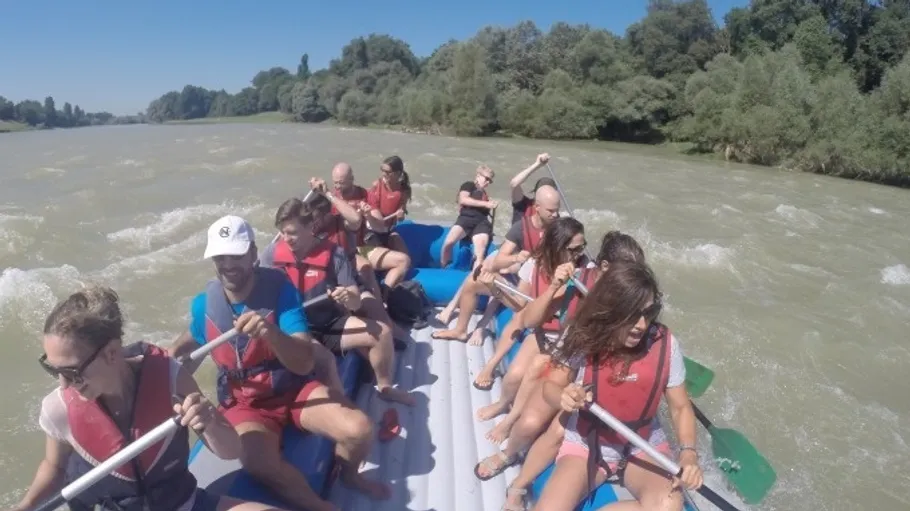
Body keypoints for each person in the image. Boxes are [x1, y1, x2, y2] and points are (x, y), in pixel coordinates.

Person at [168, 215, 388, 511]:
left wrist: (271, 333)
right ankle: (319, 506)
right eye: (221, 257)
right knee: (258, 461)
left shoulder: (281, 292)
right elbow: (189, 341)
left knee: (359, 430)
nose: (229, 264)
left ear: (253, 253)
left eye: (236, 255)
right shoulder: (204, 305)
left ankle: (348, 475)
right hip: (245, 403)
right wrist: (166, 359)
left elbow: (303, 361)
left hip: (293, 388)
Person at [14, 285, 284, 511]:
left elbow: (231, 451)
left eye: (71, 372)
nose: (63, 384)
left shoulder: (169, 377)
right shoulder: (58, 410)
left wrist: (210, 421)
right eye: (52, 369)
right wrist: (24, 507)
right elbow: (54, 466)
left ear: (111, 353)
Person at [486, 232, 647, 511]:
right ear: (605, 268)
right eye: (625, 275)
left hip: (601, 376)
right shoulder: (577, 282)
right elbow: (529, 319)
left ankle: (522, 483)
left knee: (561, 432)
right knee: (530, 424)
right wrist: (554, 287)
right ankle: (512, 466)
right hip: (568, 364)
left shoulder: (638, 299)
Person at [532, 260, 703, 510]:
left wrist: (688, 453)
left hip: (642, 442)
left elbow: (680, 408)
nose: (642, 325)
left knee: (669, 504)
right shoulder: (583, 335)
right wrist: (563, 397)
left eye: (648, 313)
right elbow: (550, 387)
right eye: (632, 314)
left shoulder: (666, 344)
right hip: (590, 441)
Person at [259, 199, 414, 407]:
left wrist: (348, 297)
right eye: (283, 232)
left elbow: (354, 298)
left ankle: (384, 388)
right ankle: (344, 411)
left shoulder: (334, 254)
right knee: (327, 362)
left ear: (310, 227)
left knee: (383, 333)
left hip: (328, 323)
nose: (286, 239)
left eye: (292, 233)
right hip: (294, 328)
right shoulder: (271, 254)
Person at [472, 217, 593, 444]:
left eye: (582, 247)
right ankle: (502, 404)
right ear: (556, 247)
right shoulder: (534, 265)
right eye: (574, 249)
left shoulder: (587, 272)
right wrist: (492, 287)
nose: (580, 254)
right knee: (512, 377)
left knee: (534, 372)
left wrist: (572, 282)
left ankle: (511, 421)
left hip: (567, 341)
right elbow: (520, 305)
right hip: (542, 333)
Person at [431, 185, 561, 345]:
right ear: (537, 207)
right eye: (551, 211)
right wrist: (516, 259)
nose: (556, 215)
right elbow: (500, 260)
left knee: (496, 272)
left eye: (557, 210)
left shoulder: (560, 230)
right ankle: (460, 330)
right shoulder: (521, 228)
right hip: (521, 282)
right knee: (474, 280)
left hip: (537, 289)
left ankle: (480, 325)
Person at [311, 172, 411, 347]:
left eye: (321, 214)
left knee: (368, 284)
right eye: (335, 183)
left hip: (349, 269)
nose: (318, 220)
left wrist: (328, 194)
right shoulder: (307, 233)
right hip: (329, 282)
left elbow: (358, 220)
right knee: (362, 269)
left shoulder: (339, 217)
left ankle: (387, 321)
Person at [360, 155, 412, 295]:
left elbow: (399, 217)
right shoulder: (377, 185)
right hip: (371, 232)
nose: (384, 174)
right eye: (382, 170)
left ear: (398, 174)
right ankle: (383, 293)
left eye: (387, 172)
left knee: (407, 260)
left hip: (388, 231)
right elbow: (377, 221)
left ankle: (391, 287)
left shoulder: (404, 191)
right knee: (401, 259)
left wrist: (401, 214)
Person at [439, 164, 498, 269]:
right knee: (448, 244)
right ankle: (444, 269)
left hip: (482, 223)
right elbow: (463, 199)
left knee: (480, 254)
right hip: (466, 219)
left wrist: (489, 204)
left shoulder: (485, 195)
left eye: (490, 181)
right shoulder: (469, 185)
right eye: (487, 179)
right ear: (478, 176)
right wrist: (486, 204)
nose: (488, 182)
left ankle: (475, 279)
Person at [508, 153, 553, 223]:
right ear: (536, 193)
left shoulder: (554, 215)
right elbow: (514, 184)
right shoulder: (523, 203)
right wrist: (538, 164)